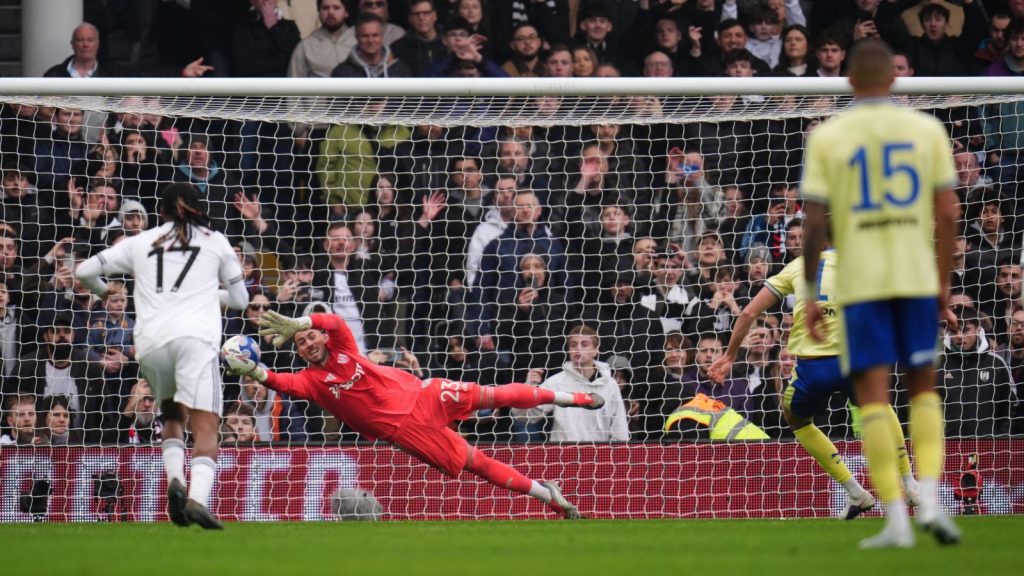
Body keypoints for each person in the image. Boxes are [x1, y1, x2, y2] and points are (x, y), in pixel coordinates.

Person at [800, 39, 961, 548]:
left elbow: (813, 223)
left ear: (849, 81)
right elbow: (949, 214)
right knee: (922, 389)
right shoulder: (926, 130)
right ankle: (930, 501)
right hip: (914, 277)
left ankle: (896, 520)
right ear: (894, 78)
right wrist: (943, 284)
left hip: (860, 282)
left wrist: (810, 293)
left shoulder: (829, 136)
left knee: (873, 398)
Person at [224, 310, 606, 519]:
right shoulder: (311, 381)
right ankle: (549, 496)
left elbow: (336, 322)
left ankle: (571, 396)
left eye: (311, 336)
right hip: (407, 433)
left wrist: (304, 322)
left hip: (424, 395)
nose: (308, 343)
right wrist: (253, 371)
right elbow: (280, 383)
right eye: (301, 342)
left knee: (494, 395)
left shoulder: (343, 346)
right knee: (476, 463)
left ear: (321, 338)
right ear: (298, 352)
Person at [75, 183, 250, 529]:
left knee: (171, 412)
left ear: (161, 212)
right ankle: (197, 499)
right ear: (200, 208)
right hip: (195, 339)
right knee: (205, 422)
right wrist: (205, 295)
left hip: (151, 342)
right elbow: (241, 301)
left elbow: (83, 272)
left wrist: (102, 291)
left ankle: (175, 479)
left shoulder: (141, 241)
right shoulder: (215, 241)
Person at [709, 249, 921, 520]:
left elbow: (749, 312)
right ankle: (909, 483)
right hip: (856, 359)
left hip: (815, 367)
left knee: (795, 418)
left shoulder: (798, 265)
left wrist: (729, 356)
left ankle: (855, 492)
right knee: (879, 406)